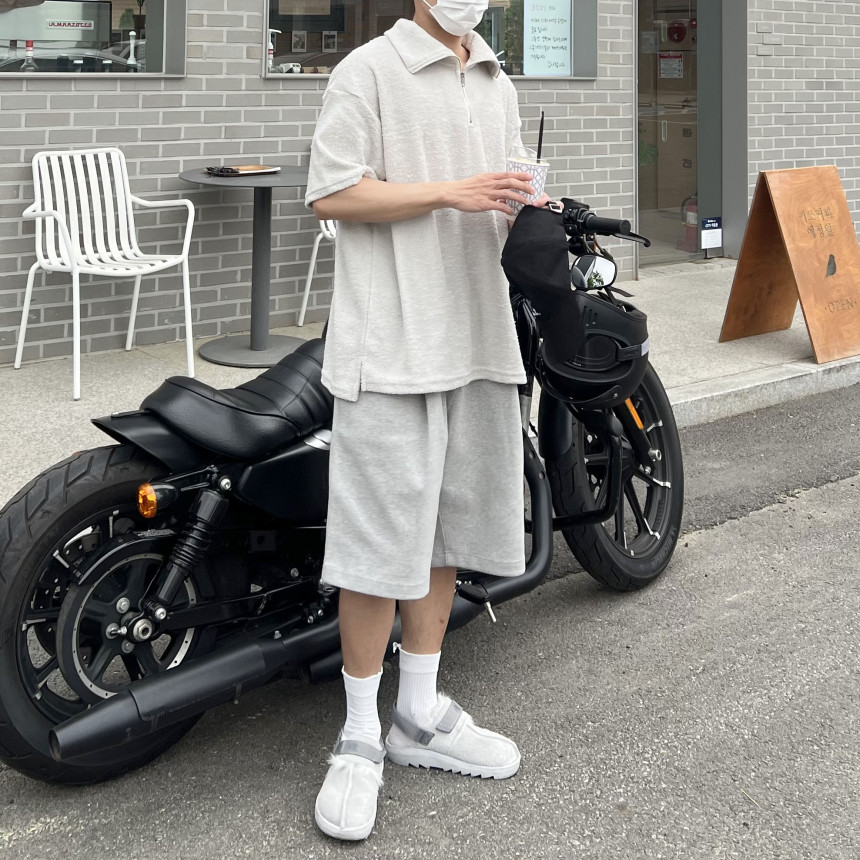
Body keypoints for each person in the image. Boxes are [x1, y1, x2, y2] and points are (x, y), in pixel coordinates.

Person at [304, 0, 545, 842]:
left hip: (476, 333)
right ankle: (358, 735)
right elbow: (331, 192)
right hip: (390, 343)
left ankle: (417, 712)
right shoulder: (367, 70)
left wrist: (526, 204)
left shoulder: (496, 79)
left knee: (446, 531)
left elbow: (502, 192)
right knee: (378, 546)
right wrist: (452, 190)